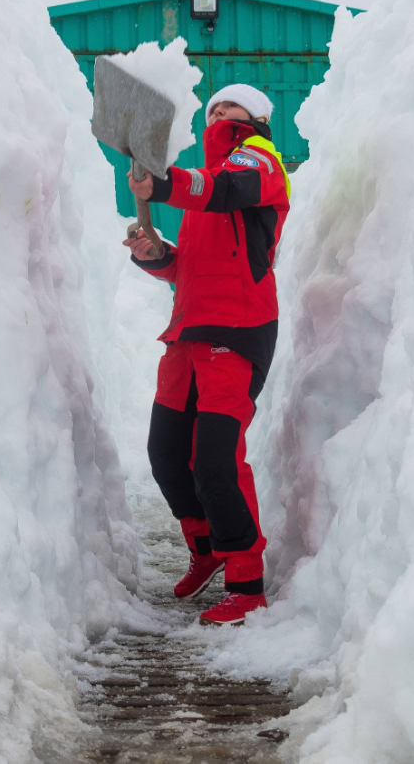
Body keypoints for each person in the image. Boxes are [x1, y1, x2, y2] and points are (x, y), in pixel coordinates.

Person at [123, 83, 291, 626]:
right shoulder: (205, 192)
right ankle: (207, 550)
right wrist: (158, 256)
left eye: (230, 107)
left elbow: (224, 189)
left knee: (216, 461)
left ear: (257, 117)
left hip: (237, 332)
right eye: (214, 107)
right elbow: (191, 271)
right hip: (188, 333)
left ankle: (246, 579)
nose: (218, 113)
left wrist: (166, 183)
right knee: (167, 454)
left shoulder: (258, 162)